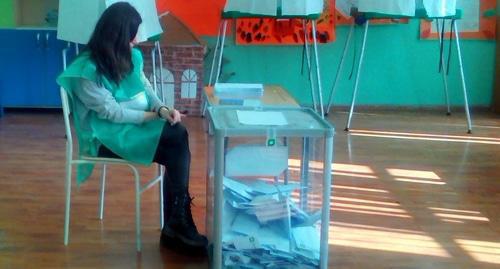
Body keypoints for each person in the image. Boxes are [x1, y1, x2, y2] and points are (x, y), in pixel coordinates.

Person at [56, 2, 207, 253]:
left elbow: (146, 88)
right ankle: (177, 225)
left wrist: (162, 110)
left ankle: (177, 224)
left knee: (176, 141)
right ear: (116, 36)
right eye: (132, 34)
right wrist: (152, 117)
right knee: (177, 140)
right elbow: (111, 113)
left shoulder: (130, 56)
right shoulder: (86, 72)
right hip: (104, 138)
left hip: (131, 129)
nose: (136, 40)